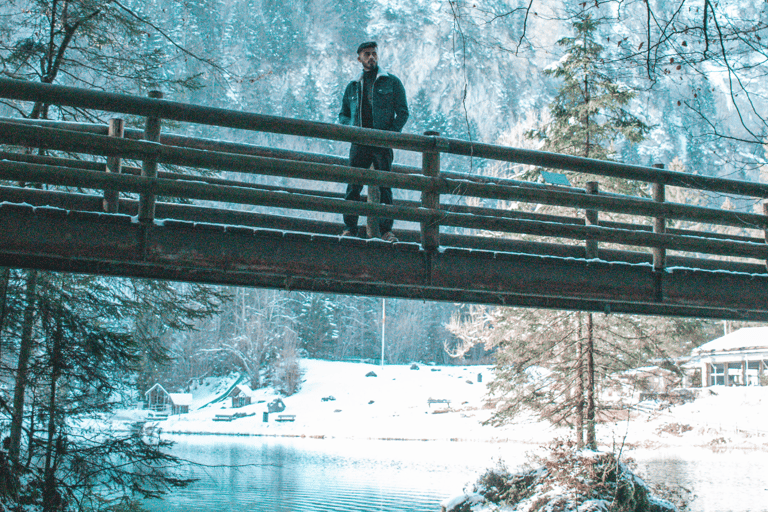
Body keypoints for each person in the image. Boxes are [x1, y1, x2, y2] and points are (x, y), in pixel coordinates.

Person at [338, 41, 409, 242]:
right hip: (359, 142)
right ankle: (350, 229)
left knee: (385, 187)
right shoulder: (352, 86)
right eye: (367, 54)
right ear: (359, 58)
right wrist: (351, 129)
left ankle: (387, 231)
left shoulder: (391, 82)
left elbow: (403, 112)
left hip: (382, 143)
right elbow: (343, 114)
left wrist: (391, 135)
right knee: (353, 186)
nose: (372, 57)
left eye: (374, 54)